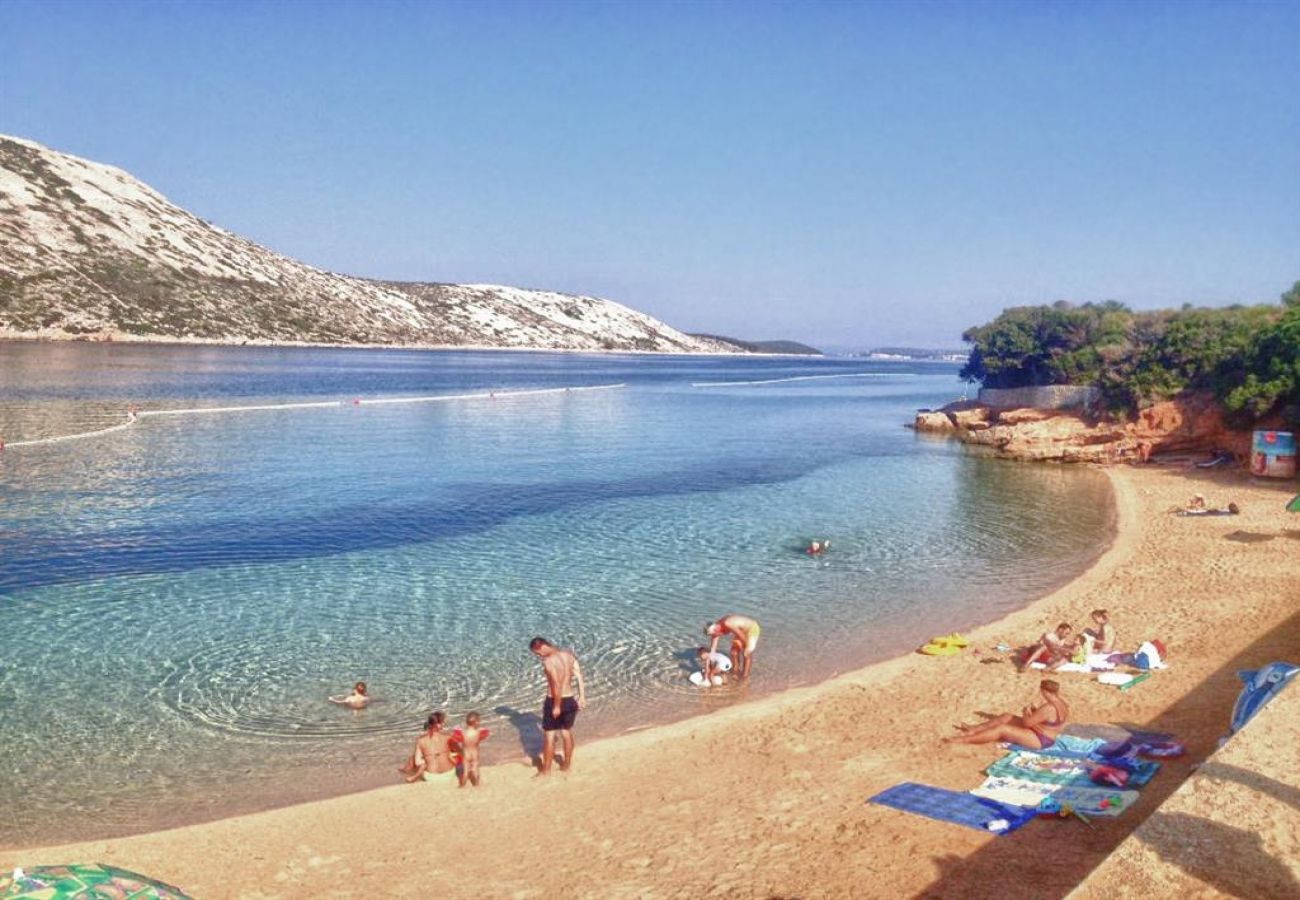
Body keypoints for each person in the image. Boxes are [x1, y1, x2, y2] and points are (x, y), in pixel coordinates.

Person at [944, 680, 1069, 749]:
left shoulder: (1048, 707)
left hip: (1041, 740)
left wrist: (1026, 713)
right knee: (1006, 717)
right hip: (1044, 733)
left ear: (1045, 691)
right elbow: (1051, 721)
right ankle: (975, 729)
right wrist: (1035, 712)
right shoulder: (1062, 703)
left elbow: (1027, 723)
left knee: (1002, 729)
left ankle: (964, 740)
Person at [529, 637, 586, 775]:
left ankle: (546, 771)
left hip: (555, 700)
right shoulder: (569, 655)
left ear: (541, 647)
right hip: (570, 699)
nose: (539, 656)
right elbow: (579, 676)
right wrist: (582, 697)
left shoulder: (548, 662)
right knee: (566, 732)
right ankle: (566, 766)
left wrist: (556, 706)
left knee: (549, 735)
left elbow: (556, 684)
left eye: (537, 653)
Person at [400, 712, 459, 782]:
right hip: (449, 775)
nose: (444, 724)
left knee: (412, 759)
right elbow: (458, 752)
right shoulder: (447, 737)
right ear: (438, 724)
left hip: (431, 777)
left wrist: (428, 758)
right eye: (443, 722)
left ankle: (406, 772)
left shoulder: (420, 741)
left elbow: (417, 762)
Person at [705, 614, 760, 679]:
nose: (713, 635)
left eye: (713, 633)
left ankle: (745, 676)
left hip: (752, 629)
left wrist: (746, 646)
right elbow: (712, 650)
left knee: (747, 653)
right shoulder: (715, 631)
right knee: (734, 652)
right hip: (741, 630)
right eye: (712, 635)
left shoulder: (727, 623)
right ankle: (735, 671)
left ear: (715, 628)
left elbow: (740, 635)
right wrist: (709, 664)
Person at [452, 711, 491, 788]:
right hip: (475, 754)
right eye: (479, 721)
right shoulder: (478, 732)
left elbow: (456, 738)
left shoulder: (462, 732)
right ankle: (476, 784)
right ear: (476, 722)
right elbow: (483, 735)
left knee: (466, 771)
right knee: (475, 769)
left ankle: (462, 785)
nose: (479, 723)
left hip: (466, 754)